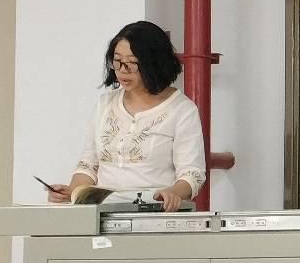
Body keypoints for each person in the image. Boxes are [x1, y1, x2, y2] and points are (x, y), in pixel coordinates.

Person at [48, 21, 206, 212]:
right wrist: (72, 192)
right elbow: (89, 165)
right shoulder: (105, 104)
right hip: (102, 211)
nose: (123, 70)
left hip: (153, 209)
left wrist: (173, 193)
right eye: (117, 61)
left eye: (132, 63)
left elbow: (192, 174)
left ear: (154, 62)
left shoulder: (181, 109)